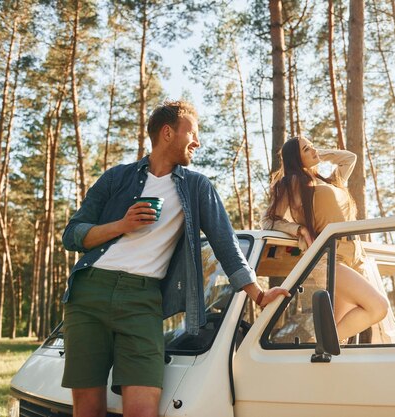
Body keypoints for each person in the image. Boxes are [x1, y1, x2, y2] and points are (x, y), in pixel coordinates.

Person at [61, 100, 290, 417]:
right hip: (89, 293)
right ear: (167, 133)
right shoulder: (116, 178)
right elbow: (72, 234)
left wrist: (258, 293)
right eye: (192, 133)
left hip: (142, 301)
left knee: (143, 409)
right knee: (88, 409)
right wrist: (121, 225)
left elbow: (225, 242)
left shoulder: (196, 186)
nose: (197, 142)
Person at [262, 136, 388, 343]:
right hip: (329, 257)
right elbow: (268, 221)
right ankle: (322, 344)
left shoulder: (330, 181)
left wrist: (317, 152)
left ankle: (319, 350)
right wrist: (298, 229)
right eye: (306, 149)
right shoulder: (291, 183)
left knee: (340, 336)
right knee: (377, 307)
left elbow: (349, 158)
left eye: (313, 146)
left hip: (354, 255)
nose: (313, 150)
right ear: (295, 157)